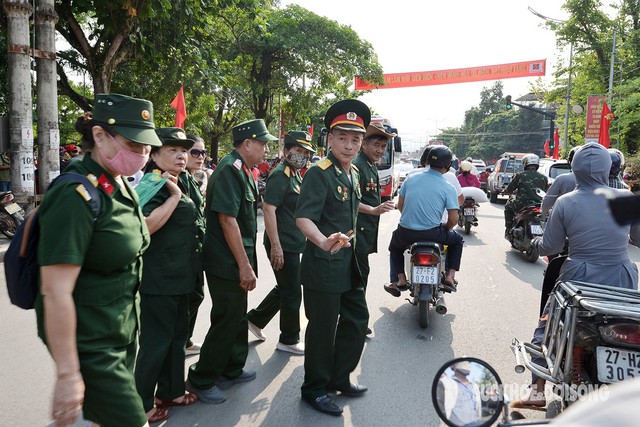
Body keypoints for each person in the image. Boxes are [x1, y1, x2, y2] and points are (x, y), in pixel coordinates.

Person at [35, 93, 162, 427]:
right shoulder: (75, 194)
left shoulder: (118, 186)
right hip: (92, 345)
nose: (144, 154)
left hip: (120, 333)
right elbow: (55, 291)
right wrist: (67, 375)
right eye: (135, 145)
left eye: (147, 147)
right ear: (100, 135)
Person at [511, 143, 640, 410]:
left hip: (578, 278)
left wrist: (534, 245)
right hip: (622, 278)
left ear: (575, 169)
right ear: (608, 168)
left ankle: (537, 393)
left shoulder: (566, 201)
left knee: (546, 331)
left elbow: (551, 247)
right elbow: (637, 238)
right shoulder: (625, 197)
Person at [186, 119, 276, 404]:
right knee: (226, 319)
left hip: (237, 258)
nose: (265, 148)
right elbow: (227, 221)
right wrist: (244, 265)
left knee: (237, 316)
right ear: (247, 144)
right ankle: (202, 377)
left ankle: (231, 367)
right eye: (262, 143)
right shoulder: (229, 170)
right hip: (227, 262)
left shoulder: (245, 170)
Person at [295, 99, 370, 416]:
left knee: (356, 320)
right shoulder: (319, 172)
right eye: (342, 138)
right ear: (330, 138)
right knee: (323, 330)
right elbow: (303, 218)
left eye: (356, 139)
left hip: (348, 264)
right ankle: (314, 388)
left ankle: (339, 378)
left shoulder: (352, 173)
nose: (349, 145)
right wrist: (322, 240)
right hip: (324, 265)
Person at [133, 127, 201, 422]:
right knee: (156, 342)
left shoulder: (183, 180)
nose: (181, 155)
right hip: (158, 279)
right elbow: (144, 227)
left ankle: (170, 390)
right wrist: (173, 198)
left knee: (176, 338)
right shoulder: (154, 184)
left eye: (184, 150)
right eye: (172, 149)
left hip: (181, 275)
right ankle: (140, 403)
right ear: (155, 154)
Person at [246, 130, 315, 355]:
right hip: (282, 243)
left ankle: (255, 319)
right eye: (298, 151)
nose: (302, 155)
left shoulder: (295, 174)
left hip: (293, 242)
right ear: (287, 151)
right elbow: (268, 209)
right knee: (292, 291)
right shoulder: (281, 175)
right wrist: (276, 245)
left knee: (286, 286)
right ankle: (288, 338)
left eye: (305, 152)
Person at [386, 145, 464, 296]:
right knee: (458, 240)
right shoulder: (448, 187)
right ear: (448, 165)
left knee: (395, 247)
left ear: (427, 161)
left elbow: (401, 206)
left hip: (406, 232)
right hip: (433, 233)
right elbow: (454, 219)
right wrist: (446, 227)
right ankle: (449, 276)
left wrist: (411, 221)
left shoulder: (410, 179)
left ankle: (400, 279)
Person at [353, 122, 396, 334]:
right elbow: (350, 201)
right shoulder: (358, 165)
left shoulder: (369, 165)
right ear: (364, 144)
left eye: (383, 147)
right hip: (356, 232)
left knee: (359, 276)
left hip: (365, 232)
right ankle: (357, 322)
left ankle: (353, 320)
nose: (380, 151)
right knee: (359, 277)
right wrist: (373, 209)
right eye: (376, 145)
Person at [184, 134, 209, 356]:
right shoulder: (178, 178)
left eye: (203, 152)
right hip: (182, 252)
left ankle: (186, 339)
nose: (200, 157)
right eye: (195, 152)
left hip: (195, 248)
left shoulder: (192, 178)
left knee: (197, 295)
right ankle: (182, 340)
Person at [503, 154, 547, 237]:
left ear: (525, 163)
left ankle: (509, 229)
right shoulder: (543, 178)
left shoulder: (520, 175)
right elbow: (545, 192)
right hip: (539, 205)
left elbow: (510, 189)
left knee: (508, 206)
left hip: (522, 204)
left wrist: (504, 191)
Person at [437, 362, 482, 426]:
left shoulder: (474, 386)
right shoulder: (446, 383)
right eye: (463, 363)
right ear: (454, 368)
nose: (466, 364)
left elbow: (477, 410)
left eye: (468, 362)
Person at [541, 146, 579, 217]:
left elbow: (548, 201)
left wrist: (543, 213)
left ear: (570, 161)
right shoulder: (598, 180)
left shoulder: (562, 179)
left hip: (566, 218)